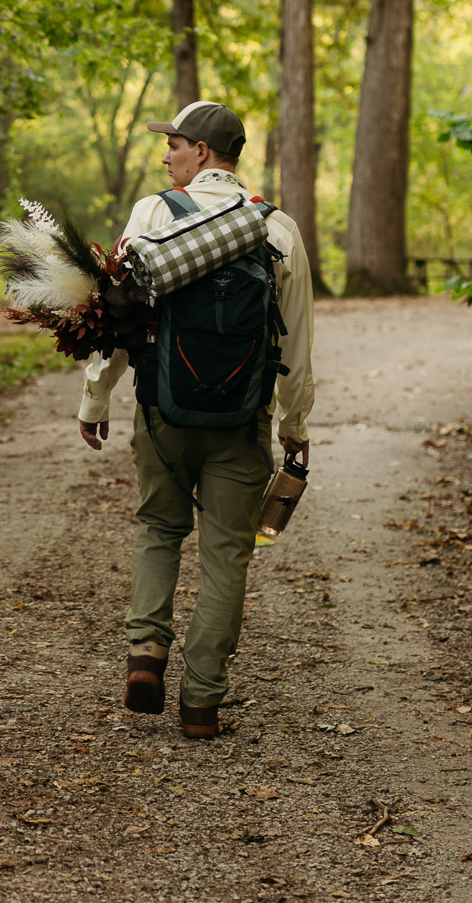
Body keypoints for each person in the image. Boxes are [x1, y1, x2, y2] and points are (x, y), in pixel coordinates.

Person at [76, 100, 315, 739]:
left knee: (158, 525)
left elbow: (120, 314)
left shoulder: (154, 214)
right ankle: (202, 700)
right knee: (227, 554)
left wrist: (96, 395)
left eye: (175, 144)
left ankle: (145, 655)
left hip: (162, 410)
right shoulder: (278, 228)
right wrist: (293, 425)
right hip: (242, 420)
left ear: (202, 152)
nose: (166, 155)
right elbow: (296, 347)